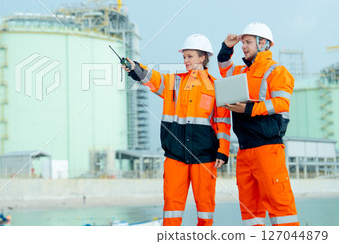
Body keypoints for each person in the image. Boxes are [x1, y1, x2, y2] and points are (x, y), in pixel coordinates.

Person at [123, 34, 231, 226]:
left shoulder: (216, 86)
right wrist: (135, 68)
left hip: (204, 157)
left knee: (205, 208)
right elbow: (153, 79)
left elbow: (222, 122)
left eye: (190, 56)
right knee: (172, 207)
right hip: (175, 156)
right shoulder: (174, 82)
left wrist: (222, 150)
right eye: (184, 57)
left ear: (203, 57)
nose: (186, 61)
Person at [217, 22, 299, 226]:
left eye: (247, 42)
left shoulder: (277, 71)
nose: (243, 46)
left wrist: (248, 109)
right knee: (250, 209)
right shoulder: (241, 72)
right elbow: (224, 68)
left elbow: (281, 103)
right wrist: (227, 48)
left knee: (280, 205)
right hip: (245, 150)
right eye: (243, 42)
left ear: (263, 43)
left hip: (268, 148)